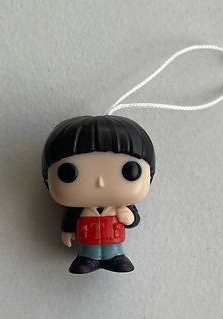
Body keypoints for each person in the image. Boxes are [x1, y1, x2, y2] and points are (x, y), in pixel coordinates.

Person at [42, 115, 155, 274]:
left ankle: (115, 257)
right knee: (89, 252)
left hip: (113, 241)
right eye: (69, 173)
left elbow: (134, 219)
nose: (100, 182)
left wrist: (129, 217)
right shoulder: (77, 209)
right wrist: (67, 230)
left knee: (113, 250)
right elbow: (70, 219)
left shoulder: (122, 207)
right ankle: (88, 259)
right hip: (88, 240)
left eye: (129, 171)